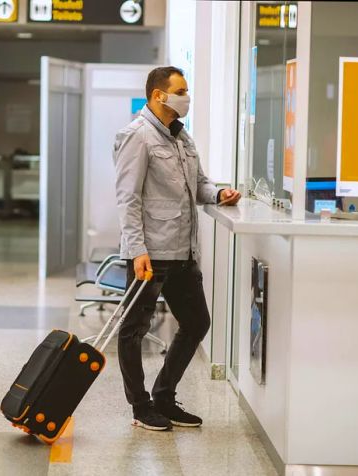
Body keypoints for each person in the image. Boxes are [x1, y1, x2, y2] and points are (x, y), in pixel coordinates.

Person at [113, 66, 241, 431]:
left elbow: (198, 184)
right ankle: (140, 407)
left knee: (197, 322)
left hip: (183, 251)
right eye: (181, 90)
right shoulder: (137, 137)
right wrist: (137, 250)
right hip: (150, 253)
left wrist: (219, 193)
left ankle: (164, 397)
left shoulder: (181, 138)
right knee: (134, 329)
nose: (187, 97)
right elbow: (127, 198)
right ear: (159, 95)